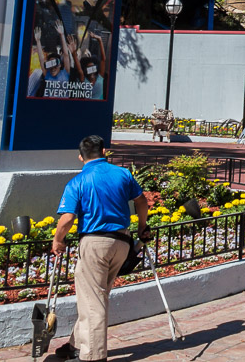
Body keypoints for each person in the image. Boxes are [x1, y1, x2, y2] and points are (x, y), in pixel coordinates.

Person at [51, 135, 151, 361]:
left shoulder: (78, 181)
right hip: (122, 243)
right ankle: (76, 344)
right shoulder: (123, 174)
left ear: (80, 157)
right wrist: (142, 226)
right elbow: (142, 201)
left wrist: (58, 240)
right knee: (95, 296)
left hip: (95, 244)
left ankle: (93, 356)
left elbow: (67, 218)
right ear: (104, 151)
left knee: (92, 298)